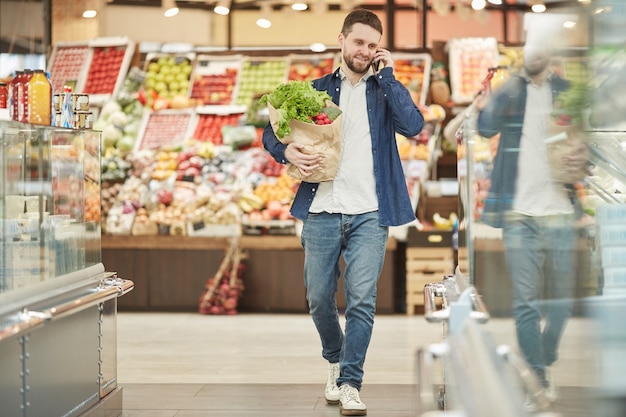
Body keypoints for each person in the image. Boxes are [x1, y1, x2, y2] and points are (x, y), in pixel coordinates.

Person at [262, 9, 423, 416]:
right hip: (323, 207)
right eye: (359, 43)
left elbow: (414, 125)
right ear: (342, 40)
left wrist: (387, 76)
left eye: (373, 45)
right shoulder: (315, 89)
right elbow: (271, 131)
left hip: (371, 210)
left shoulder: (384, 91)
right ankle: (334, 358)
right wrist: (286, 150)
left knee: (362, 301)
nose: (365, 51)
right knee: (318, 298)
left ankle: (351, 381)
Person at [476, 42, 584, 411]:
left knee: (561, 303)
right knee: (525, 302)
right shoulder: (511, 90)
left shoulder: (568, 92)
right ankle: (537, 377)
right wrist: (489, 98)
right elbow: (485, 127)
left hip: (559, 211)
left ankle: (544, 355)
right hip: (518, 213)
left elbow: (587, 141)